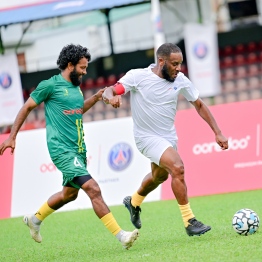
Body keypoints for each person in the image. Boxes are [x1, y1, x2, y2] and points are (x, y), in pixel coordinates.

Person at [0, 44, 139, 249]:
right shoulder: (49, 85)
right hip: (61, 149)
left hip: (78, 150)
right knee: (93, 188)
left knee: (69, 195)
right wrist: (12, 136)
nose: (85, 72)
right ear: (70, 65)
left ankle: (35, 220)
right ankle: (121, 236)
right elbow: (26, 107)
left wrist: (98, 96)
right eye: (82, 68)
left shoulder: (76, 88)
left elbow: (78, 110)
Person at [102, 43, 229, 236]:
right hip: (146, 138)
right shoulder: (138, 76)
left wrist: (217, 131)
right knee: (178, 167)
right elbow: (109, 91)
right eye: (174, 64)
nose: (179, 68)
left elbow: (200, 105)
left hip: (168, 138)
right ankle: (189, 222)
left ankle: (133, 202)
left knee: (159, 176)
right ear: (161, 61)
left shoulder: (181, 80)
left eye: (180, 64)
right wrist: (111, 97)